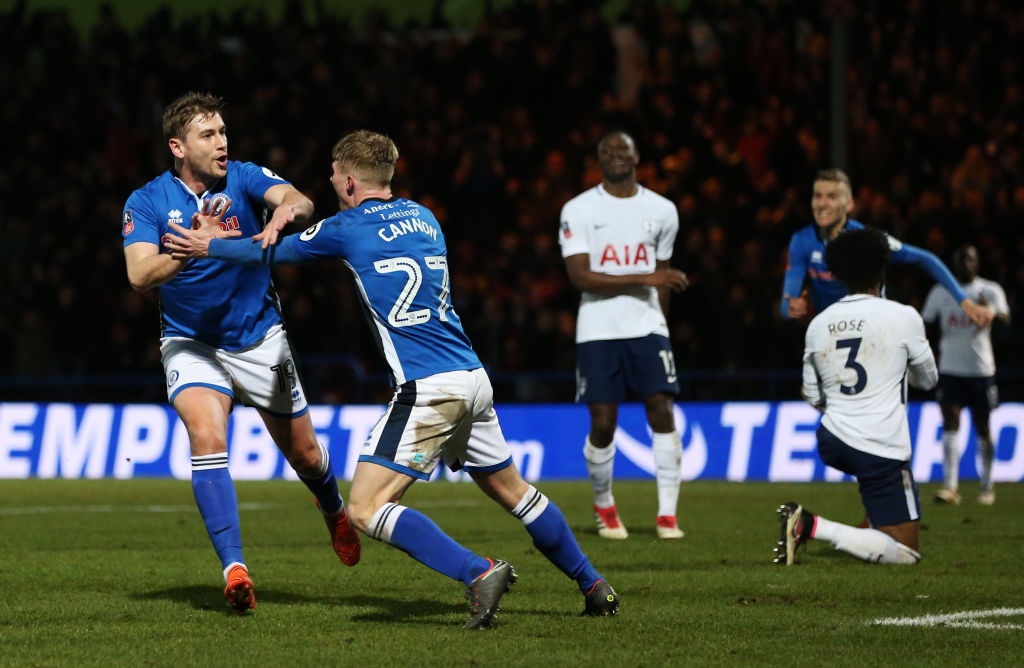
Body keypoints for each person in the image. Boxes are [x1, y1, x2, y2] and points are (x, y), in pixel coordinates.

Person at [163, 129, 619, 628]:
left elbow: (274, 255)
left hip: (428, 389)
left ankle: (478, 571)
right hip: (472, 375)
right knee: (515, 492)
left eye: (335, 172)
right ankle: (594, 584)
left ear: (351, 182)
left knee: (366, 507)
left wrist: (211, 245)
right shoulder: (423, 216)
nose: (331, 179)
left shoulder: (346, 227)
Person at [121, 91, 360, 614]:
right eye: (209, 135)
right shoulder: (146, 201)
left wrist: (283, 216)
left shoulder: (246, 177)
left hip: (258, 338)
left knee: (306, 455)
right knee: (206, 435)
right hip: (190, 341)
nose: (223, 142)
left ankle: (332, 507)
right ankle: (235, 570)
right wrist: (189, 250)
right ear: (178, 146)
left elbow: (301, 200)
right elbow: (139, 274)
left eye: (224, 132)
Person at [775, 227, 938, 566]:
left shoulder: (820, 324)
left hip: (833, 438)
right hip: (881, 444)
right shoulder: (904, 316)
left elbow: (814, 395)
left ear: (837, 274)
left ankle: (866, 523)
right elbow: (927, 379)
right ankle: (809, 525)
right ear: (881, 271)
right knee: (906, 552)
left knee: (881, 521)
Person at [558, 130, 689, 541]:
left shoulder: (663, 210)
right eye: (607, 150)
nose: (616, 154)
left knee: (662, 411)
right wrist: (645, 277)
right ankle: (604, 507)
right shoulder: (578, 209)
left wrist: (660, 322)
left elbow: (664, 282)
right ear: (599, 161)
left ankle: (667, 516)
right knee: (603, 423)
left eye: (623, 149)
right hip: (597, 330)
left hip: (647, 327)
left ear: (637, 156)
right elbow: (580, 277)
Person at [780, 168, 993, 329]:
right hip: (831, 335)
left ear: (849, 205)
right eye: (817, 196)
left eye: (831, 196)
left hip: (873, 332)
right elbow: (786, 303)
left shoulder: (869, 240)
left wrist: (965, 302)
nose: (822, 204)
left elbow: (925, 259)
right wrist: (792, 308)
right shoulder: (801, 241)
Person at [921, 244, 1010, 506]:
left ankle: (987, 486)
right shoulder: (941, 290)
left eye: (971, 259)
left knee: (983, 427)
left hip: (981, 370)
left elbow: (1006, 319)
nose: (967, 264)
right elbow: (925, 323)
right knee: (950, 424)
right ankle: (950, 487)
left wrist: (989, 312)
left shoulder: (990, 290)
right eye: (962, 260)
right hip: (950, 368)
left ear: (978, 263)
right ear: (954, 263)